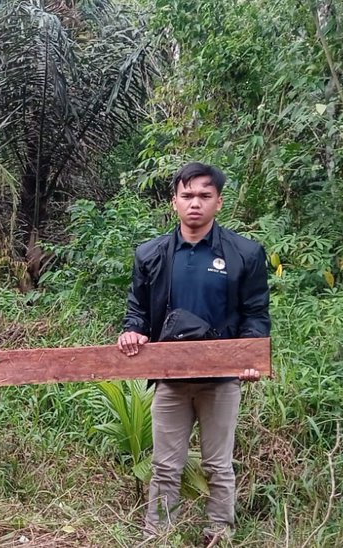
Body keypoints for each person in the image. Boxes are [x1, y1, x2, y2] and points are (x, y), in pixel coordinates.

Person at [117, 162, 270, 541]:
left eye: (204, 195)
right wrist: (133, 332)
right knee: (165, 465)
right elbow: (137, 310)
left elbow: (255, 314)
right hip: (170, 379)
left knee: (219, 464)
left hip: (221, 381)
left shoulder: (245, 253)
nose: (195, 203)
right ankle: (158, 534)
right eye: (187, 195)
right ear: (174, 202)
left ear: (219, 202)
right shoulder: (151, 254)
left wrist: (249, 358)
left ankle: (219, 532)